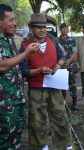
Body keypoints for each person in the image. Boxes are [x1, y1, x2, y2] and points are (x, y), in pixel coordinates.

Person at [19, 13, 72, 150]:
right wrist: (39, 71)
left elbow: (62, 56)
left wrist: (59, 65)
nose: (42, 30)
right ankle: (42, 147)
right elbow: (23, 71)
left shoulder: (53, 40)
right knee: (37, 123)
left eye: (44, 27)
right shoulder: (25, 45)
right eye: (38, 27)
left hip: (54, 87)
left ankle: (64, 146)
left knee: (60, 119)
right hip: (36, 90)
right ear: (31, 27)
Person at [0, 4, 40, 150]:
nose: (15, 23)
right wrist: (26, 53)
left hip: (15, 99)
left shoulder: (9, 39)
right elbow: (2, 66)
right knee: (4, 140)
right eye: (11, 20)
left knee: (16, 135)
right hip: (3, 104)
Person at [56, 23, 78, 111]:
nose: (65, 30)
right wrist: (62, 63)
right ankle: (63, 102)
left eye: (66, 28)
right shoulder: (56, 40)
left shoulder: (72, 40)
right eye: (63, 28)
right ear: (60, 30)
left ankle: (75, 102)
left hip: (70, 65)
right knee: (62, 84)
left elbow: (75, 52)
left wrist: (68, 61)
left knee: (72, 84)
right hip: (61, 65)